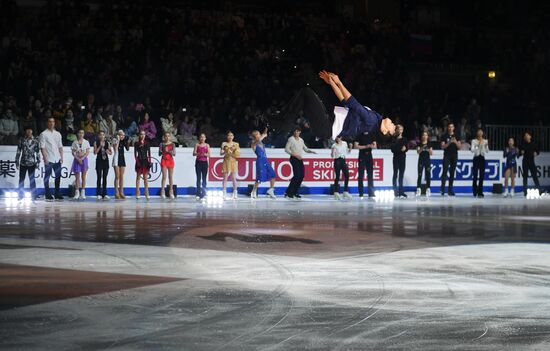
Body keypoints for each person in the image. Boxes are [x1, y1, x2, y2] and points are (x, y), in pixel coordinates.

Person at [319, 70, 396, 138]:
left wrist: (339, 83)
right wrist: (332, 83)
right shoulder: (376, 119)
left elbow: (354, 104)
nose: (393, 124)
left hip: (331, 125)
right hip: (332, 123)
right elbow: (345, 101)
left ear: (385, 131)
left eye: (393, 127)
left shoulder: (372, 121)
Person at [284, 127, 316, 199]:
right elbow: (286, 149)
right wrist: (295, 155)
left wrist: (311, 151)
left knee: (301, 176)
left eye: (298, 131)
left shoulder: (301, 140)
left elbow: (305, 149)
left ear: (300, 132)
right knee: (296, 176)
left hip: (300, 159)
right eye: (295, 131)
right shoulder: (291, 139)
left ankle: (295, 192)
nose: (296, 132)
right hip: (294, 158)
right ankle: (289, 192)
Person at [39, 117, 64, 200]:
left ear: (54, 123)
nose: (51, 123)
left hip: (57, 158)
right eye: (50, 122)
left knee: (58, 176)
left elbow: (60, 146)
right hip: (49, 158)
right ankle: (47, 193)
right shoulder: (43, 134)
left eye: (53, 122)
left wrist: (61, 157)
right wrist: (45, 158)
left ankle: (57, 193)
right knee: (47, 176)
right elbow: (42, 147)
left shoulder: (58, 134)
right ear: (47, 123)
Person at [15, 126, 40, 199]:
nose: (29, 131)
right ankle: (20, 194)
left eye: (30, 130)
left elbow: (37, 152)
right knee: (21, 179)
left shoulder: (35, 140)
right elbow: (18, 151)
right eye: (27, 130)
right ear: (25, 131)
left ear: (32, 131)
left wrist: (38, 162)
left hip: (32, 163)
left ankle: (34, 194)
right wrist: (17, 161)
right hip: (23, 162)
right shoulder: (22, 140)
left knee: (32, 179)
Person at [251, 129, 277, 199]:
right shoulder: (253, 144)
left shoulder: (260, 141)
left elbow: (264, 135)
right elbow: (258, 140)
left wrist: (265, 130)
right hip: (260, 161)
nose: (259, 135)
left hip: (265, 160)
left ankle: (271, 190)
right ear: (254, 136)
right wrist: (262, 135)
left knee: (273, 174)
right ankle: (253, 191)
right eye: (257, 134)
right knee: (259, 178)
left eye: (259, 134)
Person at [440, 122, 461, 196]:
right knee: (444, 172)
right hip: (447, 155)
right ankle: (442, 189)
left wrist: (455, 141)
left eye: (452, 127)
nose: (450, 128)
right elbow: (442, 147)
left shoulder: (457, 136)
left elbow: (459, 147)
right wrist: (449, 142)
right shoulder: (444, 136)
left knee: (452, 173)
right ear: (447, 128)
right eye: (449, 127)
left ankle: (450, 190)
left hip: (454, 155)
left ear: (454, 128)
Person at [354, 131, 377, 198]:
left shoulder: (371, 135)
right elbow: (356, 146)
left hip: (369, 156)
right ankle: (361, 192)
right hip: (362, 156)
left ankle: (371, 192)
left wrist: (371, 146)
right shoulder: (359, 135)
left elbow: (375, 146)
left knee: (370, 175)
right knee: (361, 175)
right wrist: (366, 146)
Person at [520, 131, 542, 196]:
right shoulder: (522, 144)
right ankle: (525, 191)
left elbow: (538, 150)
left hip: (531, 162)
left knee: (534, 176)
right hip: (525, 162)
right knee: (525, 177)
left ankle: (539, 190)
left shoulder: (533, 144)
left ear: (530, 136)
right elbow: (519, 151)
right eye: (525, 136)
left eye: (527, 135)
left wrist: (536, 153)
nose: (526, 137)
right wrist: (521, 152)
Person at [70, 130, 90, 200]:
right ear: (77, 134)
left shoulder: (86, 142)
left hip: (84, 160)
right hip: (77, 160)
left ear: (84, 134)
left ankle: (83, 192)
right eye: (80, 133)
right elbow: (73, 152)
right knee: (77, 177)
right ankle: (77, 192)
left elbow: (87, 152)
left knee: (83, 177)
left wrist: (82, 158)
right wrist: (78, 158)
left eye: (82, 133)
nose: (81, 134)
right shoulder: (74, 142)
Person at [220, 131, 240, 199]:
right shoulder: (224, 143)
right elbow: (221, 153)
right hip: (226, 161)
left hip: (233, 161)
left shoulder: (236, 144)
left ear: (233, 137)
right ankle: (224, 192)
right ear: (227, 136)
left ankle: (235, 192)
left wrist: (232, 152)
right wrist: (226, 150)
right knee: (225, 177)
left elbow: (238, 155)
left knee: (234, 178)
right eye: (229, 135)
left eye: (231, 135)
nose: (230, 137)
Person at [331, 135, 351, 200]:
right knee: (337, 176)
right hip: (337, 161)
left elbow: (348, 152)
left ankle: (345, 191)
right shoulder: (334, 145)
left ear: (341, 137)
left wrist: (350, 148)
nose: (338, 138)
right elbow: (332, 156)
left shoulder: (345, 143)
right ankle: (336, 192)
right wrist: (332, 151)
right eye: (337, 137)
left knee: (347, 175)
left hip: (343, 160)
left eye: (339, 137)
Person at [470, 128, 489, 198]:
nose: (480, 133)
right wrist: (478, 145)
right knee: (475, 175)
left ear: (482, 133)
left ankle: (480, 192)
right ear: (477, 133)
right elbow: (472, 150)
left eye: (481, 131)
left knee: (481, 176)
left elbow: (487, 151)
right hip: (476, 158)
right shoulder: (474, 141)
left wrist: (486, 146)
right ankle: (475, 191)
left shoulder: (485, 141)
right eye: (479, 131)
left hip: (482, 158)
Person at [391, 124, 408, 198]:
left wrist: (405, 149)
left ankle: (401, 191)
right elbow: (393, 150)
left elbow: (406, 148)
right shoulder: (393, 139)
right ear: (396, 130)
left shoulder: (404, 139)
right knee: (395, 174)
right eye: (399, 129)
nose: (400, 130)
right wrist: (400, 149)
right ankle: (395, 191)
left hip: (403, 158)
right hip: (396, 158)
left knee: (401, 175)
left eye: (401, 129)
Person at [94, 131, 112, 200]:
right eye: (100, 135)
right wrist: (100, 147)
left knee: (105, 177)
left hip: (105, 162)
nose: (102, 136)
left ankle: (105, 194)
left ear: (104, 136)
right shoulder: (96, 142)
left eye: (103, 135)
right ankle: (98, 193)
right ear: (99, 136)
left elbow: (111, 152)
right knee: (99, 177)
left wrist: (108, 151)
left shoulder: (107, 143)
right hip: (99, 161)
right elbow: (95, 152)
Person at [112, 130, 129, 199]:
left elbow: (127, 149)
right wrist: (118, 140)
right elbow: (115, 149)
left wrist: (126, 141)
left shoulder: (123, 141)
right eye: (121, 135)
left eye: (123, 135)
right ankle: (116, 192)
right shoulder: (115, 140)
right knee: (117, 176)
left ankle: (121, 192)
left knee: (121, 176)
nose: (122, 136)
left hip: (122, 158)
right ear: (118, 135)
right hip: (116, 158)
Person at [134, 130, 151, 200]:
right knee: (138, 177)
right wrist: (137, 162)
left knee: (145, 178)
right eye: (141, 134)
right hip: (139, 161)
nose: (142, 135)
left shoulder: (147, 143)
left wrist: (150, 162)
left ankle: (146, 192)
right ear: (139, 135)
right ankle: (138, 192)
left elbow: (149, 153)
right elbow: (135, 154)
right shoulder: (136, 143)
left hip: (145, 161)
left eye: (144, 134)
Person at [159, 132, 176, 199]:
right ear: (164, 137)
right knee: (164, 176)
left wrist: (168, 151)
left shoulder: (172, 144)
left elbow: (174, 154)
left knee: (170, 177)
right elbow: (159, 153)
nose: (167, 137)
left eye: (168, 136)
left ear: (170, 137)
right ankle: (162, 191)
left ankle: (171, 192)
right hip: (164, 160)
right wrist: (163, 150)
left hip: (170, 160)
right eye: (166, 136)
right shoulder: (161, 144)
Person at [193, 133, 210, 200]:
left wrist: (205, 154)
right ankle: (198, 193)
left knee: (204, 178)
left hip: (205, 163)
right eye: (201, 137)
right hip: (198, 162)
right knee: (198, 178)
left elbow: (209, 154)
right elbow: (194, 153)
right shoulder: (197, 145)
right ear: (199, 138)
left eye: (203, 137)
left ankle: (204, 193)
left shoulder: (207, 145)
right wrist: (198, 153)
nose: (202, 138)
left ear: (205, 138)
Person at [416, 131, 433, 197]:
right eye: (423, 135)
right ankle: (418, 189)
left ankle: (428, 189)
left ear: (427, 136)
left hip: (427, 160)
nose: (425, 136)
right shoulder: (419, 144)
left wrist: (428, 149)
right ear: (422, 136)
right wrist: (422, 148)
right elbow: (418, 152)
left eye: (426, 135)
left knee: (428, 174)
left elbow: (431, 153)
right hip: (421, 160)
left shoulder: (429, 144)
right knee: (419, 174)